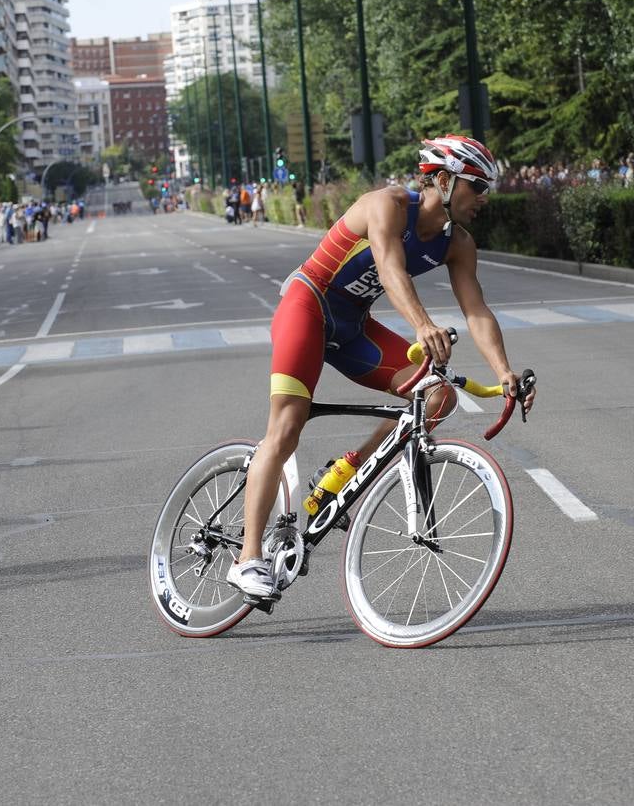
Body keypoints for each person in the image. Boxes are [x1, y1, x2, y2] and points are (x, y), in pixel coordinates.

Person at [225, 136, 535, 598]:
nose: (484, 197)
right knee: (286, 428)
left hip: (351, 328)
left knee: (437, 396)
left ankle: (343, 473)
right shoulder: (386, 205)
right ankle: (248, 557)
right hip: (307, 307)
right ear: (444, 181)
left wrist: (504, 371)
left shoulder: (459, 244)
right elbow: (390, 268)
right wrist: (422, 324)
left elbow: (477, 311)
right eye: (477, 185)